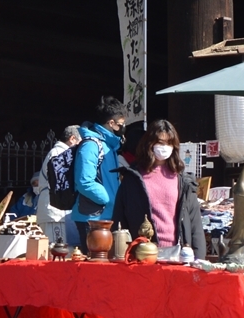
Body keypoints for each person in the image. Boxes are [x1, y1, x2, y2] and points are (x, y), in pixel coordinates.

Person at [110, 120, 205, 261]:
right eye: (160, 142)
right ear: (149, 144)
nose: (164, 147)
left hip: (178, 255)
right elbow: (119, 220)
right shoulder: (132, 178)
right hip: (142, 255)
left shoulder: (184, 180)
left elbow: (195, 224)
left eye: (169, 143)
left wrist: (199, 257)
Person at [71, 96, 126, 230]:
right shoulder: (91, 145)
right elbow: (84, 181)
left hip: (104, 215)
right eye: (121, 124)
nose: (123, 127)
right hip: (92, 218)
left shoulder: (109, 146)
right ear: (111, 123)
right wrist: (109, 200)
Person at [32, 126, 82, 251]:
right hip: (55, 211)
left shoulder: (57, 152)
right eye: (80, 142)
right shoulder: (60, 153)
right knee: (57, 250)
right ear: (72, 139)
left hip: (55, 210)